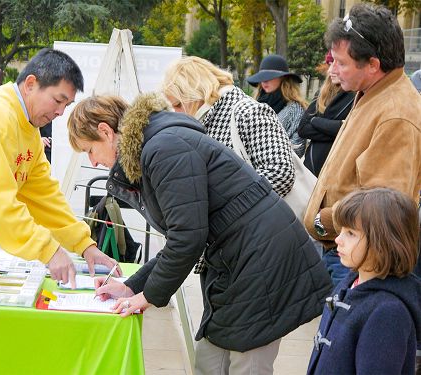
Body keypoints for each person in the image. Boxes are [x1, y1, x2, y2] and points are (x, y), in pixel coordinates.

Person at [68, 93, 332, 375]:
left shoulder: (163, 148)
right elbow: (184, 237)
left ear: (106, 132)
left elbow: (187, 239)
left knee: (247, 365)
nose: (93, 163)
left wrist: (147, 296)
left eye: (89, 150)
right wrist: (132, 286)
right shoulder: (158, 145)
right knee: (209, 362)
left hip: (261, 262)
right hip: (237, 260)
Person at [0, 48, 120, 374]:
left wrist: (85, 245)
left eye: (66, 105)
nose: (60, 112)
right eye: (58, 100)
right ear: (30, 83)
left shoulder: (26, 130)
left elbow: (45, 197)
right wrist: (49, 250)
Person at [303, 3, 421, 287]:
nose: (334, 70)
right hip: (347, 253)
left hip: (361, 263)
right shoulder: (373, 93)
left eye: (341, 63)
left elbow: (382, 207)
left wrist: (323, 222)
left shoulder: (396, 113)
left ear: (372, 65)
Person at [307, 187, 421, 375]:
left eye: (350, 233)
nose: (338, 239)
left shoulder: (388, 313)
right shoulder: (351, 284)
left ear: (383, 243)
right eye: (341, 230)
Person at [161, 56, 295, 197]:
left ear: (196, 93)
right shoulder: (204, 118)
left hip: (259, 217)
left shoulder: (248, 112)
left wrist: (225, 205)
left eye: (178, 104)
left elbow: (281, 173)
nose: (176, 112)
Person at [297, 52, 355, 177]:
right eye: (330, 64)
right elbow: (303, 129)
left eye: (339, 64)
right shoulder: (323, 93)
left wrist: (315, 121)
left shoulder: (355, 95)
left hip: (336, 169)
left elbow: (349, 131)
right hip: (312, 167)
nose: (331, 70)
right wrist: (334, 130)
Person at [247, 54, 308, 157]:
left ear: (283, 78)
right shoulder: (254, 105)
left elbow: (298, 149)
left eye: (269, 77)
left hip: (281, 168)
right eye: (262, 77)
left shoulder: (295, 109)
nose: (264, 81)